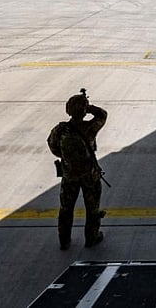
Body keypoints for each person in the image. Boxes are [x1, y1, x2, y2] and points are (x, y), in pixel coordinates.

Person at [47, 90, 108, 250]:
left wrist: (67, 159)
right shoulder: (90, 127)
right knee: (92, 208)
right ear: (83, 111)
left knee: (66, 208)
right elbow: (102, 115)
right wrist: (89, 107)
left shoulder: (60, 129)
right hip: (89, 175)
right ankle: (91, 237)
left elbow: (52, 146)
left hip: (69, 175)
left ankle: (64, 241)